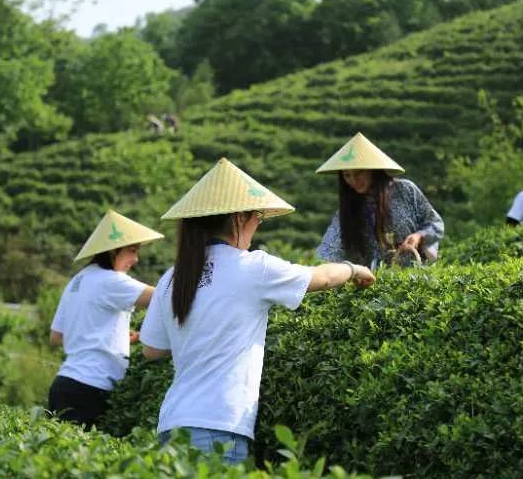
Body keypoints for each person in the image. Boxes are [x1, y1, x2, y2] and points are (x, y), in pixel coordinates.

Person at [139, 158, 375, 464]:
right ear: (239, 218)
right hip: (219, 424)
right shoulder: (252, 268)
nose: (257, 225)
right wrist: (354, 267)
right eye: (257, 217)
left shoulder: (173, 277)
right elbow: (323, 277)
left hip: (171, 424)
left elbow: (152, 350)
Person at [48, 210, 164, 429]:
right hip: (90, 388)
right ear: (113, 251)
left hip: (64, 385)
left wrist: (111, 338)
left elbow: (56, 336)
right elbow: (163, 297)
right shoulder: (110, 280)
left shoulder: (77, 280)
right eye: (132, 250)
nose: (135, 259)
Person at [315, 132, 444, 268]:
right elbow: (328, 249)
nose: (353, 180)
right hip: (376, 283)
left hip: (414, 279)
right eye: (347, 175)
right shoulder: (347, 210)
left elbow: (435, 224)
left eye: (359, 173)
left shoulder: (405, 190)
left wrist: (419, 236)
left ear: (373, 170)